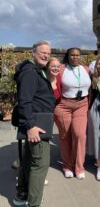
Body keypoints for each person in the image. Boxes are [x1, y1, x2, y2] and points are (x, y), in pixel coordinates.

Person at [13, 40, 55, 207]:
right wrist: (30, 126)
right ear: (33, 52)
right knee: (40, 165)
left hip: (37, 122)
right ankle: (34, 203)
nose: (46, 55)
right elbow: (25, 101)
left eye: (48, 53)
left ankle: (21, 196)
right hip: (36, 126)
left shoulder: (36, 70)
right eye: (42, 52)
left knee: (29, 161)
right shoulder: (30, 72)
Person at [54, 48, 91, 179]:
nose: (75, 57)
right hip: (64, 105)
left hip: (82, 105)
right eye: (72, 55)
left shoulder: (86, 69)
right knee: (65, 136)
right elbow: (53, 83)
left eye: (77, 55)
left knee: (80, 135)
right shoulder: (62, 69)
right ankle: (67, 166)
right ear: (68, 56)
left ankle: (79, 166)